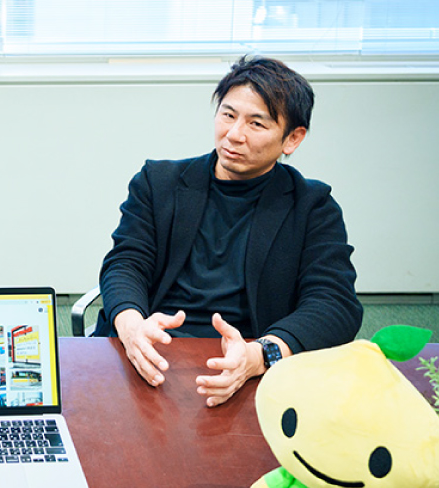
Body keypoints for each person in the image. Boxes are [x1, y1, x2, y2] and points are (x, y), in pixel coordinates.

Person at [94, 55, 362, 407]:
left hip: (246, 364)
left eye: (257, 124)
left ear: (292, 138)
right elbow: (126, 263)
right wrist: (131, 327)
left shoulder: (312, 206)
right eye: (228, 115)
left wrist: (262, 354)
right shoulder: (159, 183)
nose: (234, 135)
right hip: (152, 350)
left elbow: (334, 303)